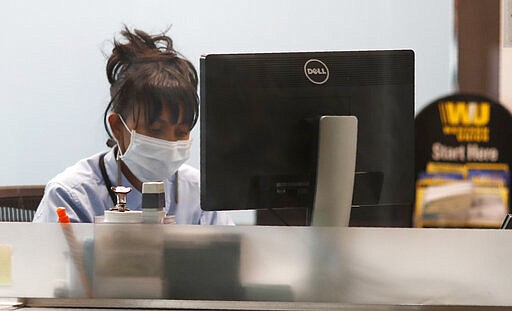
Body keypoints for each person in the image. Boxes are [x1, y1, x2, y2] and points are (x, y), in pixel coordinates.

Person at [33, 26, 233, 225]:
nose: (170, 144)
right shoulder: (70, 196)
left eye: (181, 132)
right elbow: (52, 256)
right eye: (155, 130)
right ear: (118, 128)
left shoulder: (199, 195)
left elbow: (230, 255)